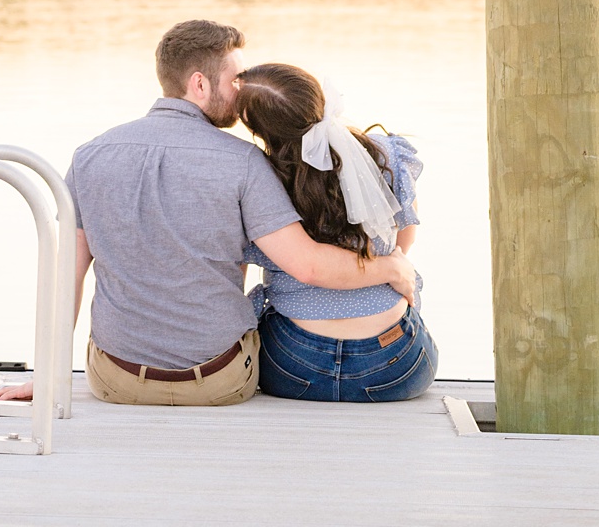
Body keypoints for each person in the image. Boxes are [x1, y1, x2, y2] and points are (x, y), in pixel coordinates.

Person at [63, 20, 416, 407]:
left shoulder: (87, 156)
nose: (242, 93)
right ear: (199, 84)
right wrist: (392, 268)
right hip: (219, 381)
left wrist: (49, 374)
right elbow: (308, 266)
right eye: (236, 80)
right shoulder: (245, 162)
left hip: (115, 380)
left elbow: (65, 277)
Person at [236, 63, 436, 403]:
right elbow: (405, 241)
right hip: (396, 366)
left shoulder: (259, 180)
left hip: (292, 366)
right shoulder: (383, 154)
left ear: (258, 130)